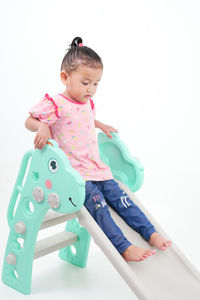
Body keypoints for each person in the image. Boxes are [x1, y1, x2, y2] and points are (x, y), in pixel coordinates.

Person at [25, 36, 172, 262]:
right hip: (74, 175)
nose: (91, 89)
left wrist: (100, 124)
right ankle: (124, 247)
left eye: (96, 83)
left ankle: (150, 232)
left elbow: (83, 120)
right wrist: (43, 125)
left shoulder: (87, 103)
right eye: (85, 83)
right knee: (99, 208)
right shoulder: (55, 103)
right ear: (65, 77)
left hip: (96, 169)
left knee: (123, 200)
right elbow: (29, 121)